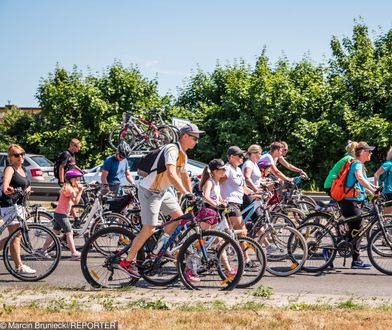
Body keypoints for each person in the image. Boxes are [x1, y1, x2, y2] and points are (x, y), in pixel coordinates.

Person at [117, 123, 204, 277]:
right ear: (185, 136)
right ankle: (126, 262)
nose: (197, 142)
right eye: (194, 138)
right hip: (149, 190)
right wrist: (185, 193)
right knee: (149, 228)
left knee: (178, 218)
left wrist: (192, 195)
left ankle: (159, 249)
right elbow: (171, 174)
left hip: (162, 191)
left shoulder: (183, 155)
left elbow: (184, 176)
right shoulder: (172, 149)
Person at [339, 141, 377, 270]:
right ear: (361, 153)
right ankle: (355, 260)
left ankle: (346, 249)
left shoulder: (359, 164)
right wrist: (373, 191)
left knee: (356, 229)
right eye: (369, 151)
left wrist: (375, 189)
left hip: (355, 201)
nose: (371, 153)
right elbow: (360, 178)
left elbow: (363, 183)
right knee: (359, 227)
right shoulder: (357, 164)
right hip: (350, 201)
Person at [221, 146, 260, 268]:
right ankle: (246, 259)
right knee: (242, 231)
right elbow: (217, 182)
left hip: (237, 203)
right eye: (239, 156)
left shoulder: (237, 170)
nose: (242, 158)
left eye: (243, 155)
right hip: (229, 203)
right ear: (231, 157)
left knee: (228, 233)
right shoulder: (227, 169)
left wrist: (255, 194)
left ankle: (224, 253)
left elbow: (243, 188)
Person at [0, 144, 36, 275]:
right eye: (16, 155)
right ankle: (19, 266)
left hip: (19, 205)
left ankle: (19, 266)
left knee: (15, 236)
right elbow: (5, 186)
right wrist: (7, 190)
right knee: (16, 236)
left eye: (22, 153)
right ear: (10, 158)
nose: (20, 157)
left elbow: (26, 184)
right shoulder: (10, 169)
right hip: (9, 204)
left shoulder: (23, 169)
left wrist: (28, 189)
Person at [39, 169, 85, 260]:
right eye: (77, 179)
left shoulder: (68, 187)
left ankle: (42, 250)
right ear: (71, 179)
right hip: (61, 215)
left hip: (59, 214)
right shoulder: (69, 189)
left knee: (55, 232)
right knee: (69, 233)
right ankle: (74, 253)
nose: (78, 181)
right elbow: (76, 201)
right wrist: (80, 191)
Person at [374, 147, 392, 214]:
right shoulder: (388, 164)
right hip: (389, 192)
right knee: (387, 215)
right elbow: (376, 175)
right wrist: (376, 190)